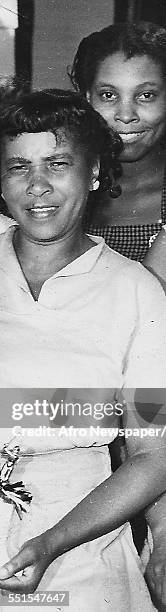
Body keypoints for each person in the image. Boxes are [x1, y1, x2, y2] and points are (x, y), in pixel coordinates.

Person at [0, 89, 166, 612]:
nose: (37, 186)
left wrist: (53, 542)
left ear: (94, 173)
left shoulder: (136, 293)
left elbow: (154, 454)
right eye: (18, 166)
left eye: (58, 163)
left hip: (76, 548)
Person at [69, 21, 166, 262]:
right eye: (109, 95)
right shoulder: (62, 188)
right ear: (87, 97)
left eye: (146, 95)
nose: (125, 114)